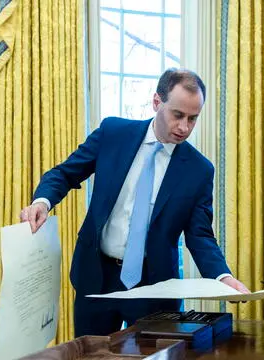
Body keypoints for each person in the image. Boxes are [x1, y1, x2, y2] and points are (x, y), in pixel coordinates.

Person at [19, 68, 249, 337]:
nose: (184, 127)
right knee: (90, 356)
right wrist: (43, 202)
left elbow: (199, 236)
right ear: (156, 102)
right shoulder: (113, 133)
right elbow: (65, 173)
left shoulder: (199, 170)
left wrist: (223, 278)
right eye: (177, 115)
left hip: (155, 288)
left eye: (192, 119)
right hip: (97, 278)